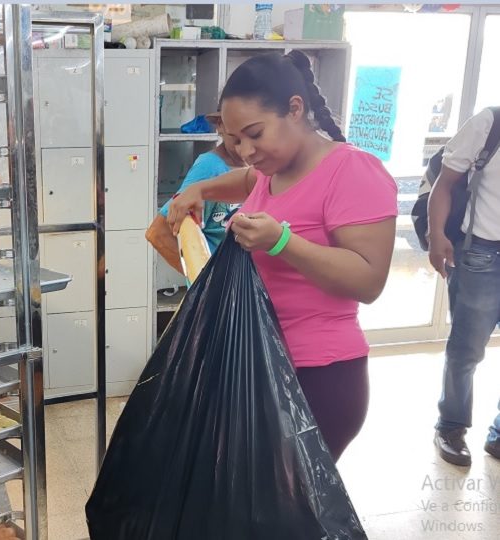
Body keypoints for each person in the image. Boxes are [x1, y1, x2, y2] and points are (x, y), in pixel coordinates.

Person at [167, 50, 398, 461]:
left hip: (318, 377)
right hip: (264, 364)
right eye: (236, 140)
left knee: (289, 516)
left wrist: (280, 242)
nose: (246, 150)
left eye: (255, 134)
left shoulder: (352, 171)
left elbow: (368, 280)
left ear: (295, 109)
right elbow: (244, 178)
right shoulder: (274, 170)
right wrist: (198, 191)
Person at [428, 106, 500, 467]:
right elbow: (445, 183)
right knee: (467, 350)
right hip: (482, 255)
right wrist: (436, 233)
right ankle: (451, 426)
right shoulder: (490, 123)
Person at [146, 111, 246, 274]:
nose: (247, 148)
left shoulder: (258, 169)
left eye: (254, 134)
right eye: (238, 137)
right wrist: (205, 285)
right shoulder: (210, 167)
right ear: (220, 125)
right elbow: (158, 233)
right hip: (222, 290)